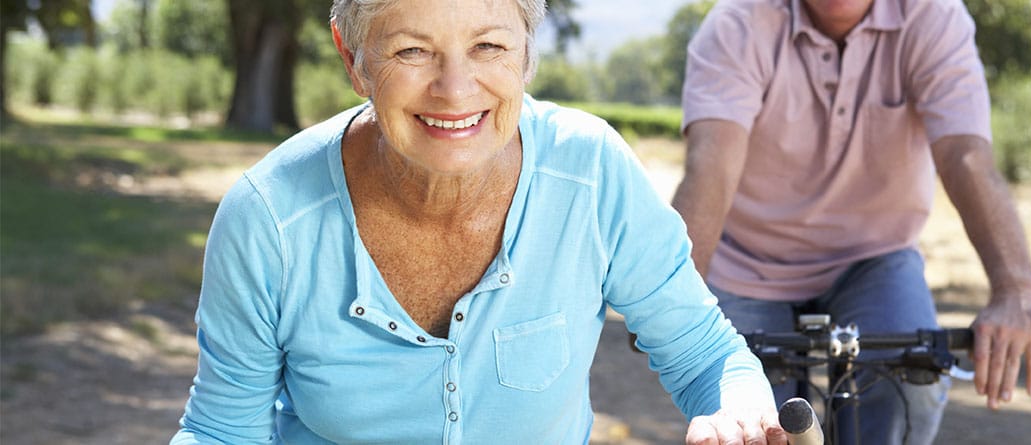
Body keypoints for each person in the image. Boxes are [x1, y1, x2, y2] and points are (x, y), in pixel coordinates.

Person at [170, 0, 787, 443]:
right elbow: (224, 431)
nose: (455, 89)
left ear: (525, 55)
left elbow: (707, 354)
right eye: (412, 50)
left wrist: (738, 412)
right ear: (353, 59)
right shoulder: (269, 218)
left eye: (488, 45)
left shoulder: (590, 173)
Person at [673, 0, 1031, 443]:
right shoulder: (738, 23)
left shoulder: (933, 17)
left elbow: (965, 156)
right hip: (747, 261)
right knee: (748, 423)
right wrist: (677, 298)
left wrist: (1015, 289)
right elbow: (710, 165)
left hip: (874, 258)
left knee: (914, 385)